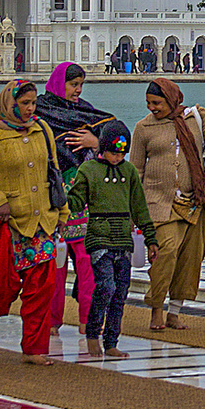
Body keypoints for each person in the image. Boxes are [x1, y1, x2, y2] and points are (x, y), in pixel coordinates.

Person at [0, 80, 65, 364]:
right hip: (9, 225)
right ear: (10, 104)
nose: (30, 109)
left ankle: (34, 349)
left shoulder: (42, 130)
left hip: (42, 223)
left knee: (41, 289)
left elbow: (54, 173)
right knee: (1, 286)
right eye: (25, 104)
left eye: (34, 103)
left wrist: (63, 213)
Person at [131, 77, 205, 331]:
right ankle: (156, 308)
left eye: (157, 103)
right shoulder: (143, 128)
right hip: (159, 204)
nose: (152, 108)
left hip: (195, 203)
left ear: (171, 99)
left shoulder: (197, 119)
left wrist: (204, 189)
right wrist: (134, 209)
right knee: (166, 253)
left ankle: (175, 311)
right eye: (149, 103)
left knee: (190, 258)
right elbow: (136, 171)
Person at [35, 62, 117, 340]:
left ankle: (88, 322)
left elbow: (115, 136)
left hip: (81, 202)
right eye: (73, 85)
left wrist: (96, 143)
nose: (77, 91)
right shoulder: (39, 111)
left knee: (87, 263)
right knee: (52, 267)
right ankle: (51, 321)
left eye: (81, 85)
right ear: (59, 83)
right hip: (49, 202)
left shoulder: (85, 113)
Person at [67, 121, 157, 357]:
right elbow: (75, 202)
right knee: (105, 286)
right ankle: (92, 333)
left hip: (123, 239)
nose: (118, 158)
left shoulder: (128, 172)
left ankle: (111, 341)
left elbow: (139, 206)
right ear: (102, 148)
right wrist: (60, 199)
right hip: (99, 236)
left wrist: (151, 238)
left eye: (121, 153)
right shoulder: (88, 170)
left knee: (120, 293)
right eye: (113, 152)